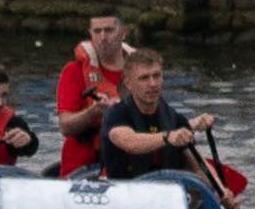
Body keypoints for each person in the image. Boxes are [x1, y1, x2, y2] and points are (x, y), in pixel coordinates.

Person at [89, 48, 222, 193]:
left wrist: (222, 192)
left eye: (157, 76)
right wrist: (167, 137)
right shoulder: (116, 115)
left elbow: (198, 166)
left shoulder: (173, 117)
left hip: (166, 197)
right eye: (144, 78)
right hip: (124, 195)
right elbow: (130, 142)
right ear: (128, 83)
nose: (152, 84)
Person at [51, 14, 133, 175]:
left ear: (124, 32)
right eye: (97, 31)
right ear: (90, 33)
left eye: (109, 30)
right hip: (82, 169)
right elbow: (65, 126)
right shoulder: (73, 71)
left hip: (129, 166)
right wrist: (93, 112)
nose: (103, 37)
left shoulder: (143, 73)